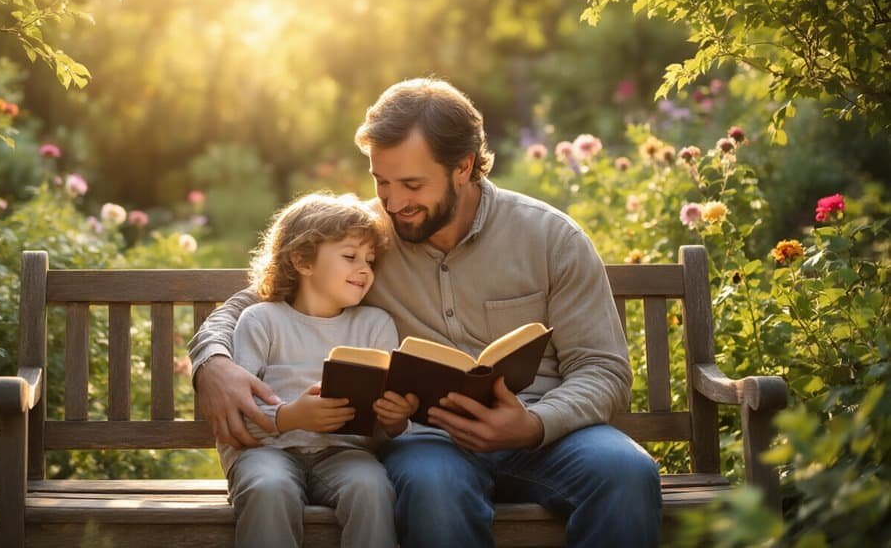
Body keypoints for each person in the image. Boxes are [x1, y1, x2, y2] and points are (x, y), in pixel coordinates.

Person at [189, 78, 662, 547]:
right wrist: (213, 362)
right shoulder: (368, 236)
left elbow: (603, 369)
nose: (393, 202)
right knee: (431, 488)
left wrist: (535, 424)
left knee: (627, 473)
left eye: (412, 184)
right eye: (381, 182)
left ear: (464, 167)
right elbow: (259, 300)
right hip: (429, 441)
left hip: (545, 432)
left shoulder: (551, 239)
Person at [218, 191, 418, 548]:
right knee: (269, 489)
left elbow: (388, 427)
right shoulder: (262, 320)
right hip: (267, 453)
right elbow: (239, 415)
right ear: (303, 261)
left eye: (370, 261)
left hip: (345, 453)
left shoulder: (375, 324)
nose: (364, 270)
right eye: (349, 256)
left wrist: (395, 418)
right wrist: (292, 417)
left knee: (372, 489)